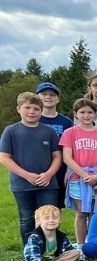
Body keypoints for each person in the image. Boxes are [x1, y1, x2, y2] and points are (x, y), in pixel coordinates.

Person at [1, 92, 61, 244]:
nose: (31, 112)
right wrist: (26, 175)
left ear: (41, 111)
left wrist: (48, 174)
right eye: (27, 108)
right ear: (18, 109)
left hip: (48, 184)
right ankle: (31, 251)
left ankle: (51, 248)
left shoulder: (49, 131)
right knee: (27, 218)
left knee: (50, 216)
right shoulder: (11, 131)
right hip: (22, 184)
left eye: (36, 109)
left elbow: (57, 156)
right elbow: (4, 157)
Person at [61, 99, 97, 245]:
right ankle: (80, 244)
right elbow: (67, 157)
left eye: (90, 112)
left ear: (95, 114)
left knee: (95, 212)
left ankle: (92, 242)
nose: (86, 115)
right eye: (82, 112)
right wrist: (85, 175)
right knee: (81, 212)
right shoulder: (70, 133)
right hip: (78, 178)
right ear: (75, 114)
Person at [3, 205, 90, 261]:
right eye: (46, 218)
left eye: (55, 218)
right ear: (38, 221)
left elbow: (70, 250)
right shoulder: (34, 237)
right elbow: (33, 257)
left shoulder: (61, 236)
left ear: (60, 220)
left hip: (56, 260)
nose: (51, 220)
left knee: (76, 252)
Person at [36, 83, 72, 207]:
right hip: (38, 169)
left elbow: (71, 147)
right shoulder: (34, 119)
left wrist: (69, 170)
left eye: (52, 95)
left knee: (55, 208)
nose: (48, 97)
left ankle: (54, 227)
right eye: (44, 94)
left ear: (57, 99)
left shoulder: (66, 122)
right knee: (37, 210)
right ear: (37, 97)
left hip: (60, 170)